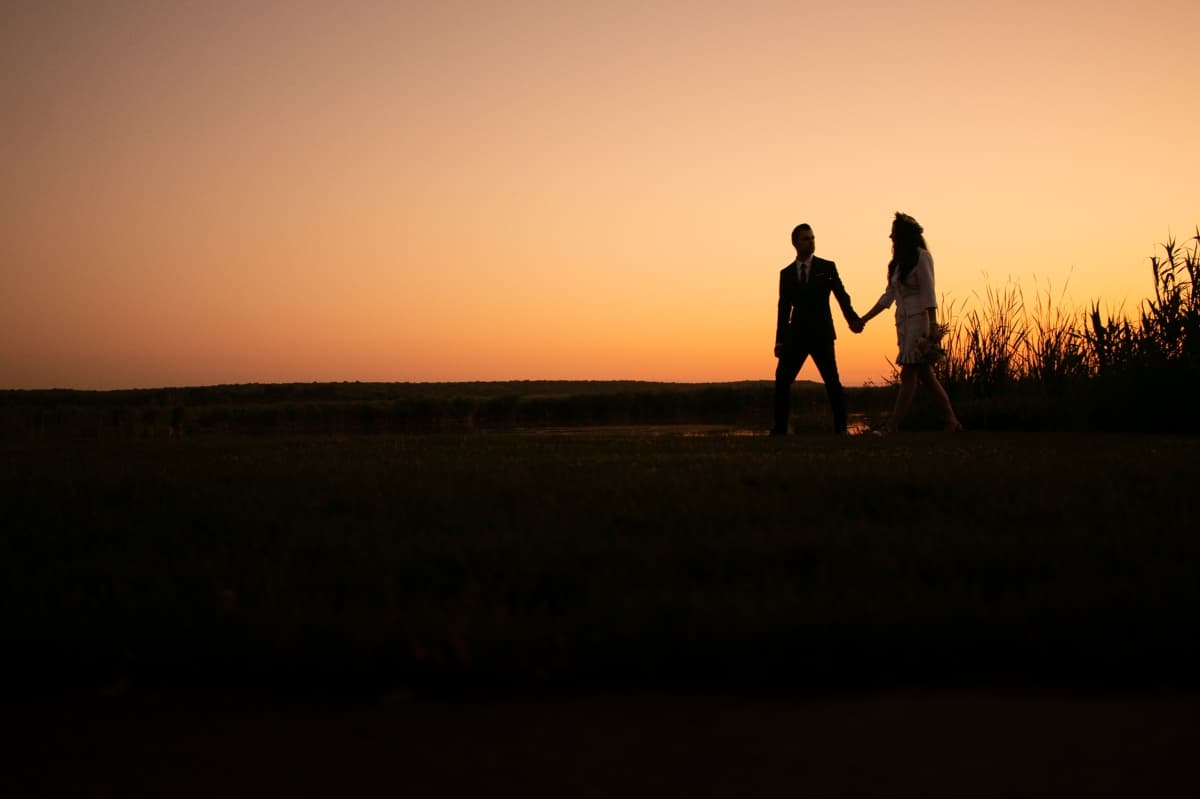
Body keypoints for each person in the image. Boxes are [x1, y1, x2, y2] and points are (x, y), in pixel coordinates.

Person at [856, 212, 963, 433]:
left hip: (919, 322)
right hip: (903, 324)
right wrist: (864, 319)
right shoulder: (896, 265)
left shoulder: (922, 257)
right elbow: (888, 297)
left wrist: (933, 325)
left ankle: (893, 426)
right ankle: (952, 422)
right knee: (926, 376)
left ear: (904, 235)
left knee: (908, 374)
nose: (891, 237)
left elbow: (928, 292)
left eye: (894, 233)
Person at [772, 223, 861, 435]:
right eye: (805, 239)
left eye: (812, 238)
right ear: (795, 243)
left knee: (832, 381)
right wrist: (779, 340)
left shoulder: (827, 267)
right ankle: (780, 429)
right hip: (796, 336)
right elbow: (783, 308)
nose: (811, 242)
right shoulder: (786, 274)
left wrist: (852, 319)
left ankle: (841, 429)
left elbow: (841, 295)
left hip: (821, 333)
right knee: (782, 380)